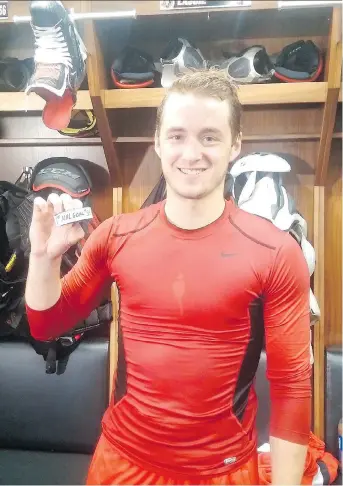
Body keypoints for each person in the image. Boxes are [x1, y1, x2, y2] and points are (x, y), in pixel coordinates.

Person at [25, 70, 312, 485]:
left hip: (223, 472)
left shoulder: (276, 252)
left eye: (210, 137)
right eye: (177, 136)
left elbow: (291, 391)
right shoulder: (117, 236)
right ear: (158, 142)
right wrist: (42, 256)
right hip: (121, 465)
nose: (191, 153)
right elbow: (46, 323)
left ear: (235, 145)